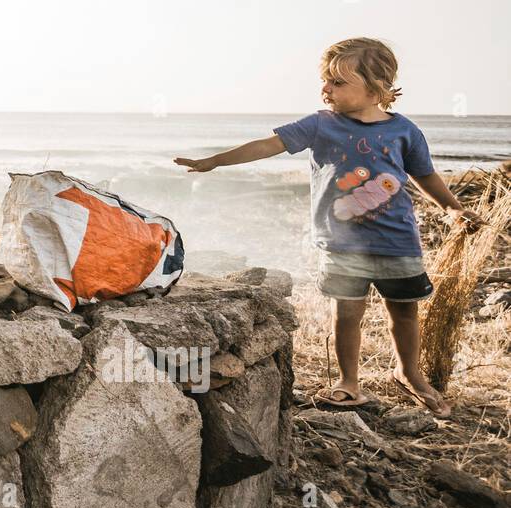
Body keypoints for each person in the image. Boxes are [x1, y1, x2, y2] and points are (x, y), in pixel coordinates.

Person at [173, 37, 480, 417]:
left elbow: (425, 176)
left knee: (404, 312)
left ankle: (409, 373)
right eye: (325, 80)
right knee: (347, 313)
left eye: (338, 82)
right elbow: (266, 146)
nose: (326, 89)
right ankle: (349, 382)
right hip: (341, 243)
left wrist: (454, 210)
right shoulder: (320, 125)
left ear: (375, 88)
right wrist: (216, 161)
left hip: (398, 241)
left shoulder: (405, 131)